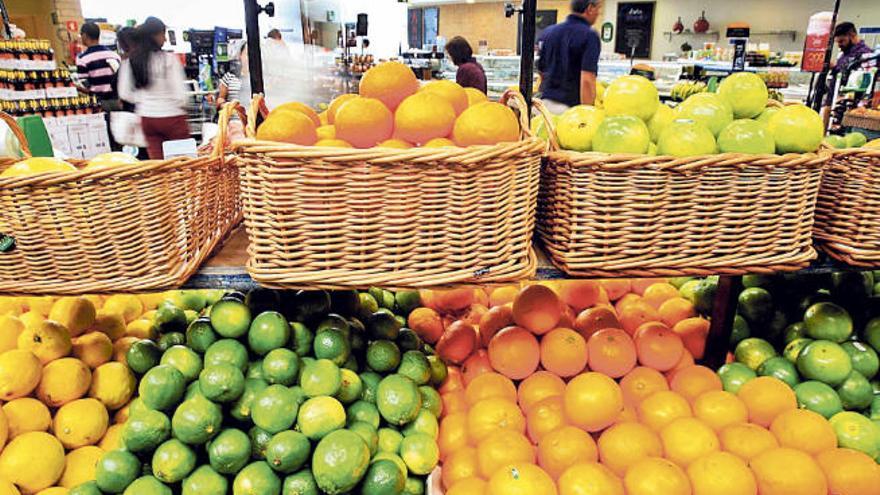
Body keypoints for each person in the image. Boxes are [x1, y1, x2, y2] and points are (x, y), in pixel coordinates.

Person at [118, 17, 190, 159]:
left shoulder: (131, 61)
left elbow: (124, 93)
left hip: (147, 118)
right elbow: (181, 95)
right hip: (172, 117)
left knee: (159, 165)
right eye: (163, 34)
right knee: (183, 164)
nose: (165, 39)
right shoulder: (168, 59)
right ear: (155, 35)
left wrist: (143, 100)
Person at [537, 0, 602, 113]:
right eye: (598, 9)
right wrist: (587, 114)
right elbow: (587, 79)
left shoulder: (548, 32)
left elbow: (541, 71)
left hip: (544, 106)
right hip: (570, 111)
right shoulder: (589, 35)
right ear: (590, 8)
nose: (598, 13)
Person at [76, 22, 121, 109]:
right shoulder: (114, 55)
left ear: (84, 35)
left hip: (99, 103)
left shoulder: (82, 58)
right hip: (117, 101)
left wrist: (76, 87)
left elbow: (85, 86)